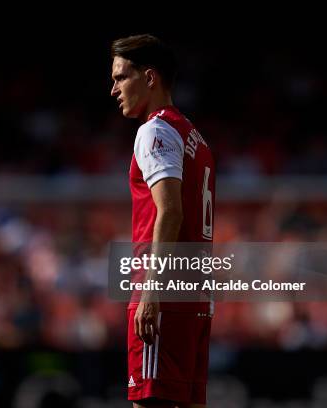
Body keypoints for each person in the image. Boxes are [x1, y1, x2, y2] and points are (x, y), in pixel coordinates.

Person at [110, 34, 215, 408]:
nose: (114, 89)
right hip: (196, 296)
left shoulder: (155, 131)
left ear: (150, 77)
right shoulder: (195, 138)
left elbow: (170, 211)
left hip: (164, 296)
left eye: (121, 77)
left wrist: (151, 292)